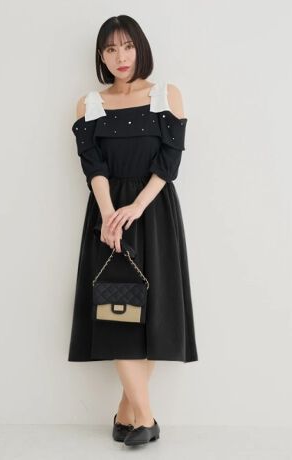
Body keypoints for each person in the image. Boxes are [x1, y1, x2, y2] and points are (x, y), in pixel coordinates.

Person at [68, 15, 199, 447]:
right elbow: (93, 166)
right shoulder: (90, 103)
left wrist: (137, 207)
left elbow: (169, 162)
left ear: (140, 48)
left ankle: (127, 414)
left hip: (154, 212)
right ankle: (146, 418)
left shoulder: (166, 95)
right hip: (108, 218)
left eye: (127, 46)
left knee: (152, 313)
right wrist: (110, 215)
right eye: (110, 49)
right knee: (117, 313)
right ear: (101, 56)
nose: (120, 56)